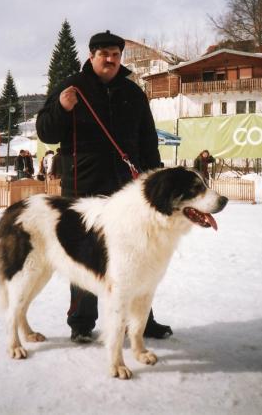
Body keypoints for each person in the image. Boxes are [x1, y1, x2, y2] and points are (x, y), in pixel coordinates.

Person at [36, 30, 172, 343]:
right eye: (103, 54)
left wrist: (153, 179)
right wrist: (60, 106)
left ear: (120, 57)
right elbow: (45, 132)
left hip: (127, 188)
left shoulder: (133, 92)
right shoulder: (72, 86)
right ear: (91, 56)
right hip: (82, 184)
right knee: (85, 254)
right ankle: (82, 322)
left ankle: (141, 321)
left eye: (115, 54)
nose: (110, 60)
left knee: (137, 254)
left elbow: (148, 140)